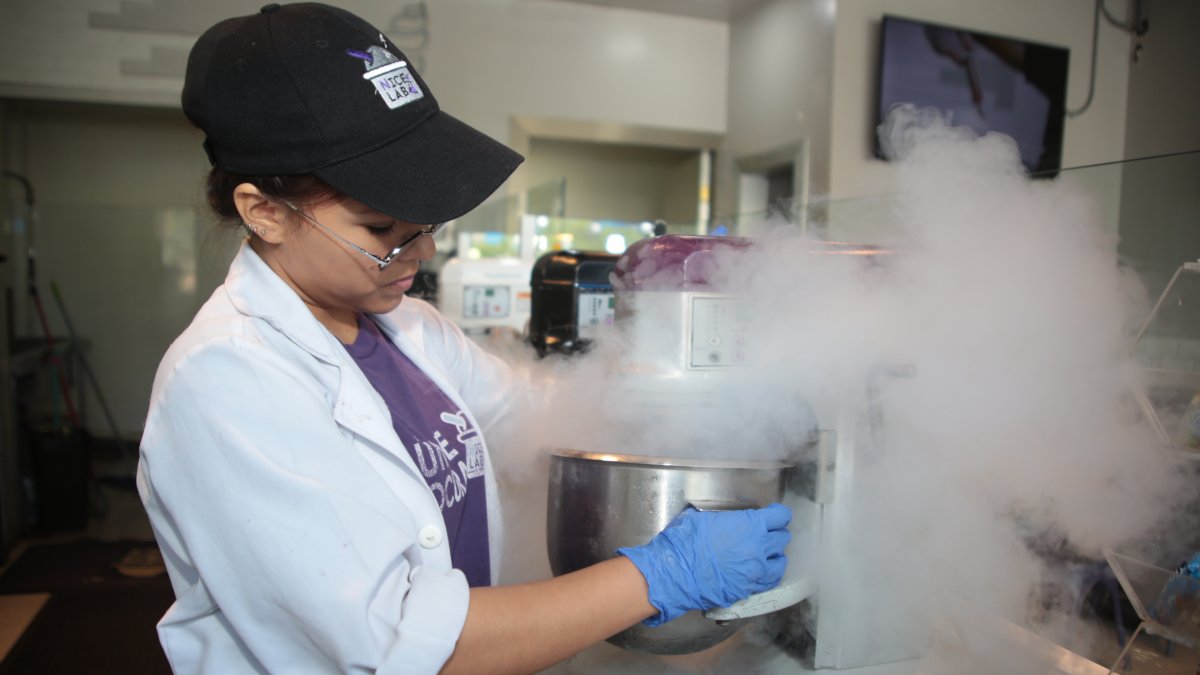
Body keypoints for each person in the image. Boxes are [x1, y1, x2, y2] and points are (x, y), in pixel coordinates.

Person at [137, 3, 792, 674]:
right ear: (264, 211)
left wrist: (713, 401)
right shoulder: (226, 380)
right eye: (383, 229)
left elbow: (541, 418)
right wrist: (659, 577)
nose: (421, 249)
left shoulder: (408, 329)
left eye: (427, 222)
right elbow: (399, 646)